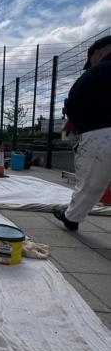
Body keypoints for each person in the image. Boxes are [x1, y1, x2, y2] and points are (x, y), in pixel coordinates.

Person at [54, 35, 111, 230]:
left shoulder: (96, 72)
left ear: (98, 53)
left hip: (101, 133)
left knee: (91, 182)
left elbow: (74, 102)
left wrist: (75, 120)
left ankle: (72, 217)